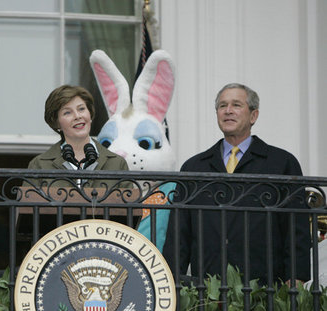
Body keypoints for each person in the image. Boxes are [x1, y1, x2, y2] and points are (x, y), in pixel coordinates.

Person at [162, 83, 311, 284]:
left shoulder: (281, 163)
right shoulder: (194, 166)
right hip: (206, 289)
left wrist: (296, 277)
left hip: (265, 289)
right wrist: (170, 280)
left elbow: (296, 228)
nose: (228, 111)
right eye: (222, 106)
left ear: (253, 116)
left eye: (236, 105)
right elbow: (179, 232)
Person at [27, 85, 129, 188]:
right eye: (67, 112)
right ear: (57, 123)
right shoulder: (40, 165)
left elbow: (128, 202)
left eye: (81, 109)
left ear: (90, 114)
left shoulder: (117, 164)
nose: (77, 116)